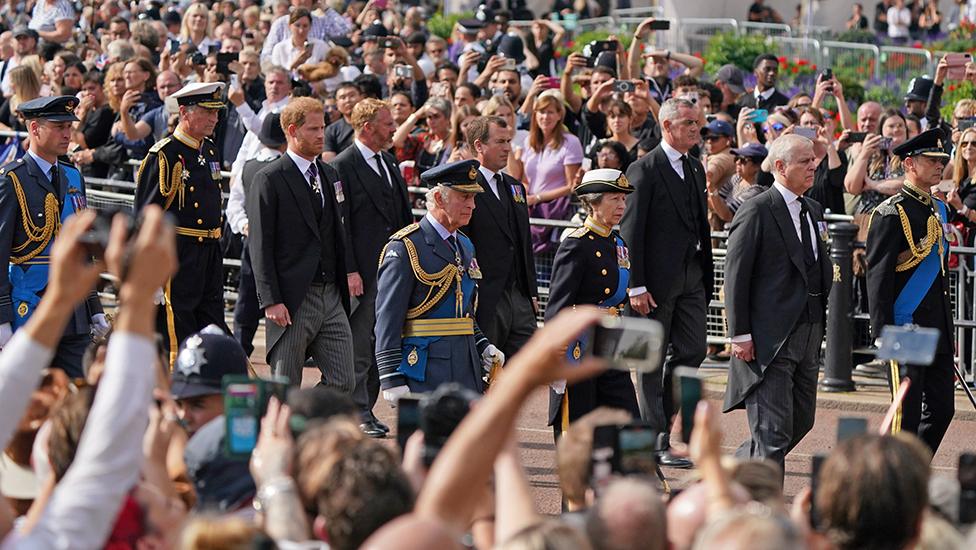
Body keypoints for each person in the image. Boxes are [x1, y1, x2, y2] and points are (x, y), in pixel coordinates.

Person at [723, 135, 832, 474]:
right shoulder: (757, 209)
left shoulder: (812, 208)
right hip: (770, 337)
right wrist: (739, 333)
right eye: (804, 161)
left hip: (809, 331)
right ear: (781, 167)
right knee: (772, 434)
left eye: (813, 159)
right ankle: (764, 517)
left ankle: (729, 475)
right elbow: (736, 274)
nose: (813, 165)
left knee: (801, 420)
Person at [620, 97, 713, 468]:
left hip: (691, 276)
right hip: (654, 283)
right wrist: (635, 285)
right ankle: (656, 438)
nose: (696, 129)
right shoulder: (644, 169)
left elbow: (700, 225)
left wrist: (705, 276)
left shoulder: (695, 168)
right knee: (649, 361)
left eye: (697, 123)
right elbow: (632, 231)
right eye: (689, 123)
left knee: (694, 350)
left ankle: (663, 426)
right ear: (668, 126)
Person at [247, 97, 354, 391]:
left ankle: (306, 425)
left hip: (331, 294)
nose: (321, 135)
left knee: (344, 381)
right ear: (292, 131)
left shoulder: (330, 174)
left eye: (323, 128)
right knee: (285, 386)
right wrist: (271, 299)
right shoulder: (269, 178)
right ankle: (280, 434)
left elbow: (337, 232)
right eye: (313, 129)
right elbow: (260, 245)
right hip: (293, 299)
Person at [374, 159, 502, 400]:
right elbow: (388, 317)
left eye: (473, 198)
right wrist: (390, 375)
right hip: (424, 368)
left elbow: (462, 309)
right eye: (464, 197)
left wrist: (482, 344)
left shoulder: (464, 244)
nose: (472, 205)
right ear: (440, 198)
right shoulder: (406, 247)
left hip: (466, 366)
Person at [0, 96, 106, 378]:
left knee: (77, 397)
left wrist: (93, 305)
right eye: (58, 126)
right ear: (35, 129)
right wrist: (2, 318)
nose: (66, 134)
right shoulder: (12, 180)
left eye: (69, 126)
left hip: (74, 311)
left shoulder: (73, 177)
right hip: (31, 306)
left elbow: (83, 249)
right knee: (29, 400)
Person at [865, 128, 955, 454]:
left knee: (944, 410)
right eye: (930, 159)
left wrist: (948, 327)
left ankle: (910, 472)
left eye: (941, 160)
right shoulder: (891, 212)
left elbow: (941, 275)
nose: (938, 165)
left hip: (937, 330)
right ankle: (894, 484)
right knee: (907, 414)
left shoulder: (940, 209)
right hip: (905, 326)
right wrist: (882, 332)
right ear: (909, 164)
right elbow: (878, 278)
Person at [331, 98, 412, 438]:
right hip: (363, 272)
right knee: (360, 346)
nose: (393, 127)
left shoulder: (389, 163)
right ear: (367, 127)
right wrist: (350, 269)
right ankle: (357, 411)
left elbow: (403, 218)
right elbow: (340, 223)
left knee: (386, 342)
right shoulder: (342, 165)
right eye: (387, 122)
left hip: (393, 271)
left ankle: (368, 408)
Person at [134, 82, 230, 366]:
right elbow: (146, 216)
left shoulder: (209, 150)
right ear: (186, 112)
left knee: (212, 323)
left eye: (216, 113)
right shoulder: (164, 155)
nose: (214, 119)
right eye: (207, 112)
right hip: (179, 254)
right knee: (179, 329)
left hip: (210, 250)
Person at [546, 169, 641, 437]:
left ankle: (634, 473)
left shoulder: (618, 243)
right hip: (580, 343)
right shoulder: (576, 245)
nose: (621, 206)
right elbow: (559, 303)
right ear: (592, 202)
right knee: (579, 417)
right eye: (614, 199)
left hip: (611, 341)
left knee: (627, 415)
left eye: (623, 199)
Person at [462, 116, 537, 359]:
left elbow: (524, 243)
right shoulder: (466, 186)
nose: (507, 148)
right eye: (500, 142)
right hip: (486, 295)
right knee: (487, 370)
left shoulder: (515, 187)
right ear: (479, 146)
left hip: (519, 295)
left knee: (525, 370)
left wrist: (531, 292)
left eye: (508, 141)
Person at [170, 326, 255, 512]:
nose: (184, 416)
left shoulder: (255, 464)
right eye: (179, 405)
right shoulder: (168, 453)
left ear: (235, 401)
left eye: (197, 405)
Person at [226, 114, 286, 358]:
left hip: (253, 243)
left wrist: (244, 225)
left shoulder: (247, 167)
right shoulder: (287, 167)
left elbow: (234, 204)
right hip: (283, 246)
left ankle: (240, 351)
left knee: (247, 300)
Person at [512, 93, 583, 256]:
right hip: (530, 212)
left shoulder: (570, 142)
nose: (545, 116)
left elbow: (571, 185)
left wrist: (537, 198)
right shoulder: (528, 141)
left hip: (556, 214)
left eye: (551, 112)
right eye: (541, 112)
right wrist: (524, 198)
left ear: (559, 115)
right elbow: (524, 180)